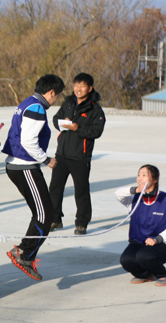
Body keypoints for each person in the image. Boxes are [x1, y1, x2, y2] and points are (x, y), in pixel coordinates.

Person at [2, 74, 64, 281]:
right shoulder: (37, 108)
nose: (56, 100)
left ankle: (24, 252)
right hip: (24, 166)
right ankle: (24, 254)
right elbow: (28, 141)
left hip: (21, 165)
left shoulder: (28, 102)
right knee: (45, 215)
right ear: (52, 92)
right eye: (57, 95)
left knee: (43, 213)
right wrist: (46, 160)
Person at [49, 72, 106, 235]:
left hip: (80, 156)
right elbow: (56, 118)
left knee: (81, 191)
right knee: (55, 188)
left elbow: (96, 131)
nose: (78, 89)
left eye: (82, 86)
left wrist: (77, 128)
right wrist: (62, 124)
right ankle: (55, 219)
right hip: (62, 154)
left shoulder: (95, 109)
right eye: (76, 85)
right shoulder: (68, 102)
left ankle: (82, 222)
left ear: (90, 88)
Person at [116, 165, 166, 287]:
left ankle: (163, 275)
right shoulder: (133, 199)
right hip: (139, 241)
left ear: (155, 179)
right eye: (139, 175)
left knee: (144, 256)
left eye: (144, 175)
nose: (140, 178)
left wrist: (157, 239)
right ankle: (145, 275)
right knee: (126, 260)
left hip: (162, 243)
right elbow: (118, 194)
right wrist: (136, 190)